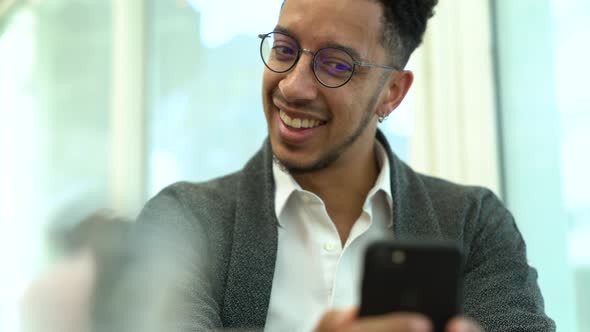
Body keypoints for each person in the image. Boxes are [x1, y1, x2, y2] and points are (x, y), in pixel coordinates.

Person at [128, 0, 556, 331]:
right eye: (284, 49)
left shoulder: (473, 225)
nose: (293, 87)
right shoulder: (184, 222)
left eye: (335, 64)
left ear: (392, 92)